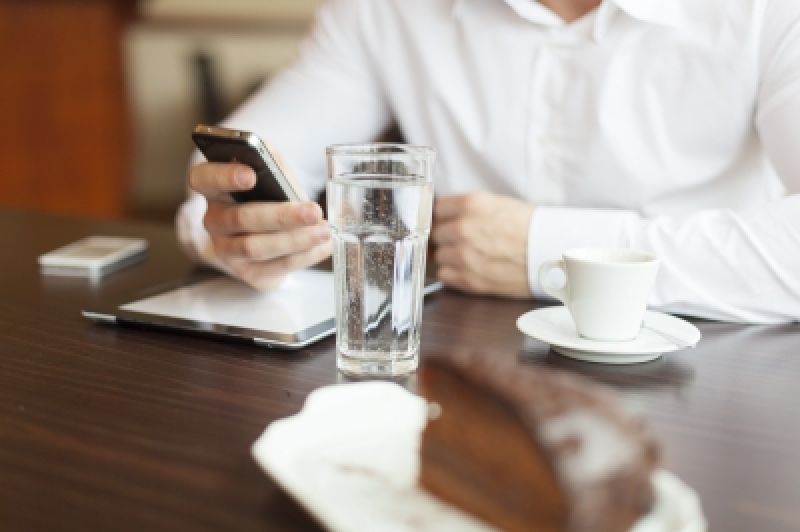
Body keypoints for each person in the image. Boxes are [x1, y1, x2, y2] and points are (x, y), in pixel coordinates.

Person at [177, 0, 800, 323]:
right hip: (467, 369)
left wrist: (544, 249)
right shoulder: (381, 10)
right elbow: (235, 172)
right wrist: (239, 235)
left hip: (717, 358)